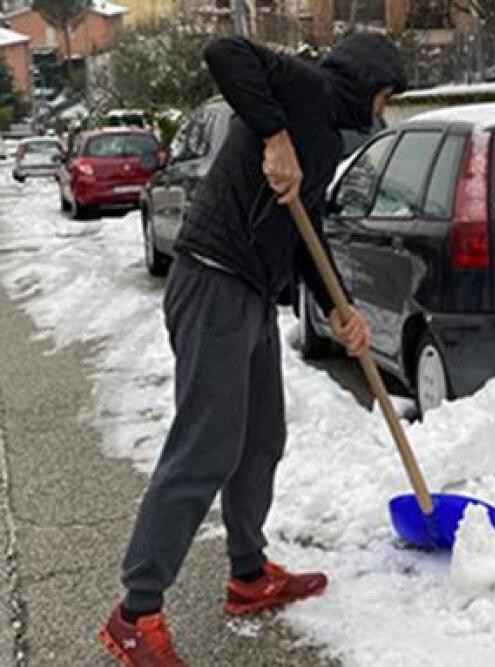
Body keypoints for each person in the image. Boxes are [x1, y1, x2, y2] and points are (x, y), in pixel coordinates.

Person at [98, 32, 406, 666]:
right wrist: (273, 135)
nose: (381, 111)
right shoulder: (304, 88)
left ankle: (247, 573)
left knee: (262, 436)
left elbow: (305, 231)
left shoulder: (326, 141)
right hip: (212, 277)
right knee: (205, 447)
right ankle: (136, 611)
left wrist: (340, 308)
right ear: (364, 81)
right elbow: (222, 51)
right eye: (382, 96)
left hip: (251, 292)